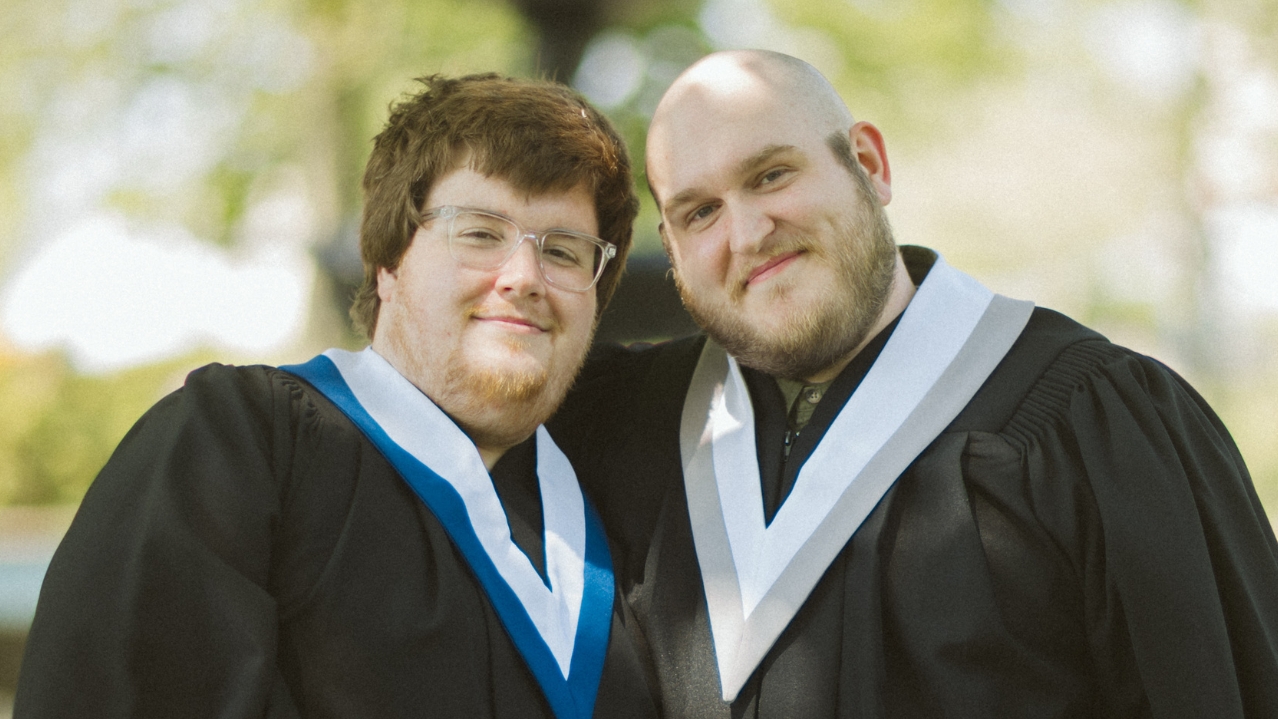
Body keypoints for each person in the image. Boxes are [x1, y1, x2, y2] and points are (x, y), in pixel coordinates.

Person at [551, 50, 1278, 718]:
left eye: (771, 174)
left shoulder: (1095, 421)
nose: (745, 233)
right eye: (699, 212)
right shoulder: (619, 424)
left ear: (869, 164)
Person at [16, 73, 658, 719]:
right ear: (388, 261)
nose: (524, 277)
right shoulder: (243, 443)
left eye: (564, 250)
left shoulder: (624, 513)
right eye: (479, 233)